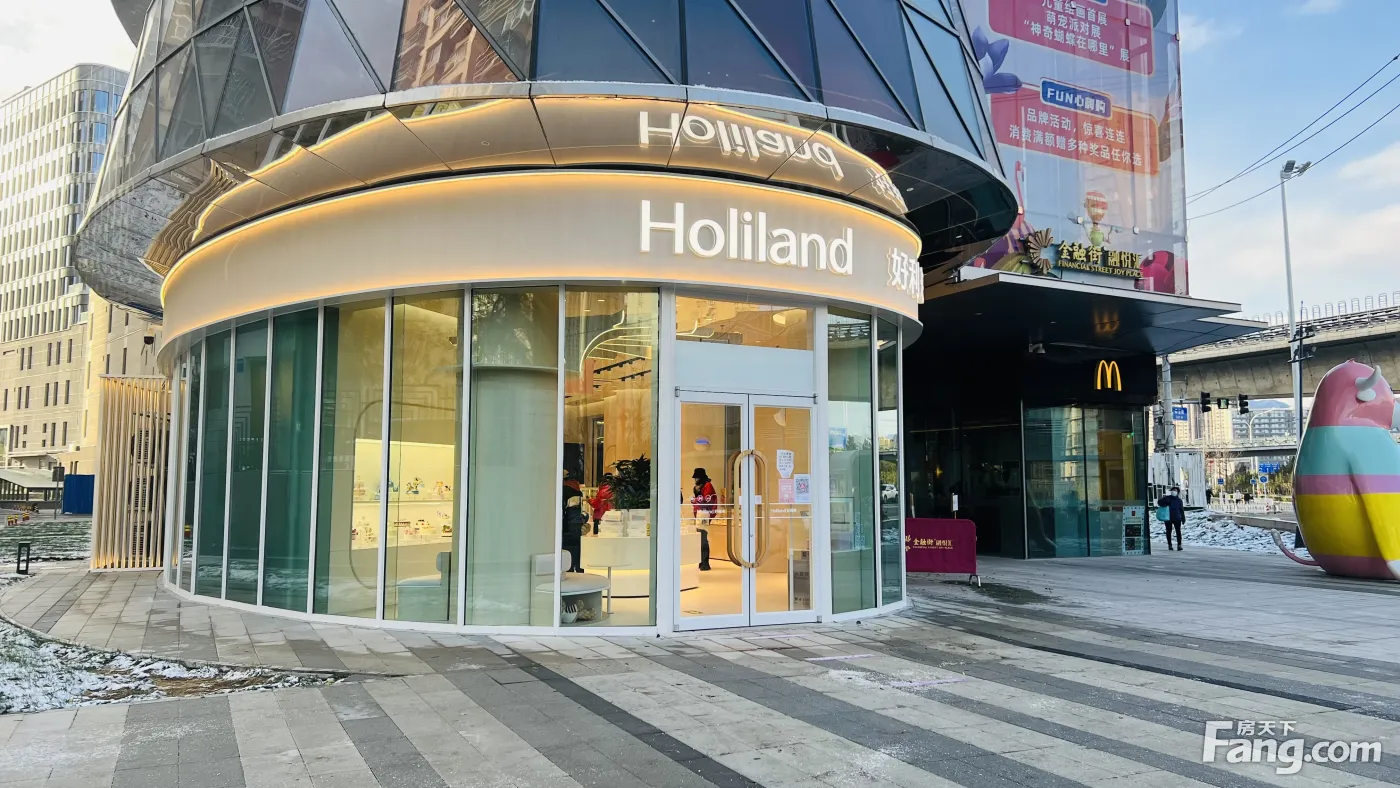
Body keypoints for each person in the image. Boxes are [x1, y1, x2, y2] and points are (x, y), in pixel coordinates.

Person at [691, 468, 717, 571]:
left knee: (703, 538)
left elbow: (707, 500)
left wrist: (695, 501)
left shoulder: (707, 486)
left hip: (704, 514)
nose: (696, 479)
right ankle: (702, 561)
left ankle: (705, 563)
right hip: (700, 513)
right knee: (701, 538)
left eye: (697, 477)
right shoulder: (702, 486)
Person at [562, 471, 587, 572]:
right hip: (575, 526)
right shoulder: (576, 490)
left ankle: (570, 569)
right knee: (576, 548)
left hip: (567, 526)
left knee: (567, 549)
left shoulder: (564, 490)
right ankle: (578, 568)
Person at [1157, 486, 1186, 551]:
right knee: (1168, 531)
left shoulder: (1179, 500)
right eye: (1173, 490)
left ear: (1178, 492)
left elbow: (1181, 509)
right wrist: (1165, 503)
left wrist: (1183, 518)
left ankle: (1179, 545)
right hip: (1168, 517)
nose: (1174, 492)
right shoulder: (1167, 498)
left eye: (1175, 490)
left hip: (1177, 517)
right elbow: (1159, 502)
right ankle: (1170, 545)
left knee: (1178, 532)